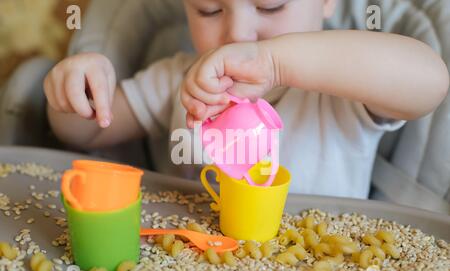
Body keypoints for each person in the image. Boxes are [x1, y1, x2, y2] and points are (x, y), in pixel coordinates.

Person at [44, 0, 449, 198]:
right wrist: (77, 88)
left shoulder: (341, 86)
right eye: (209, 9)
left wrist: (274, 63)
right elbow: (87, 133)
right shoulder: (180, 78)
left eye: (269, 4)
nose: (238, 33)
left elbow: (430, 82)